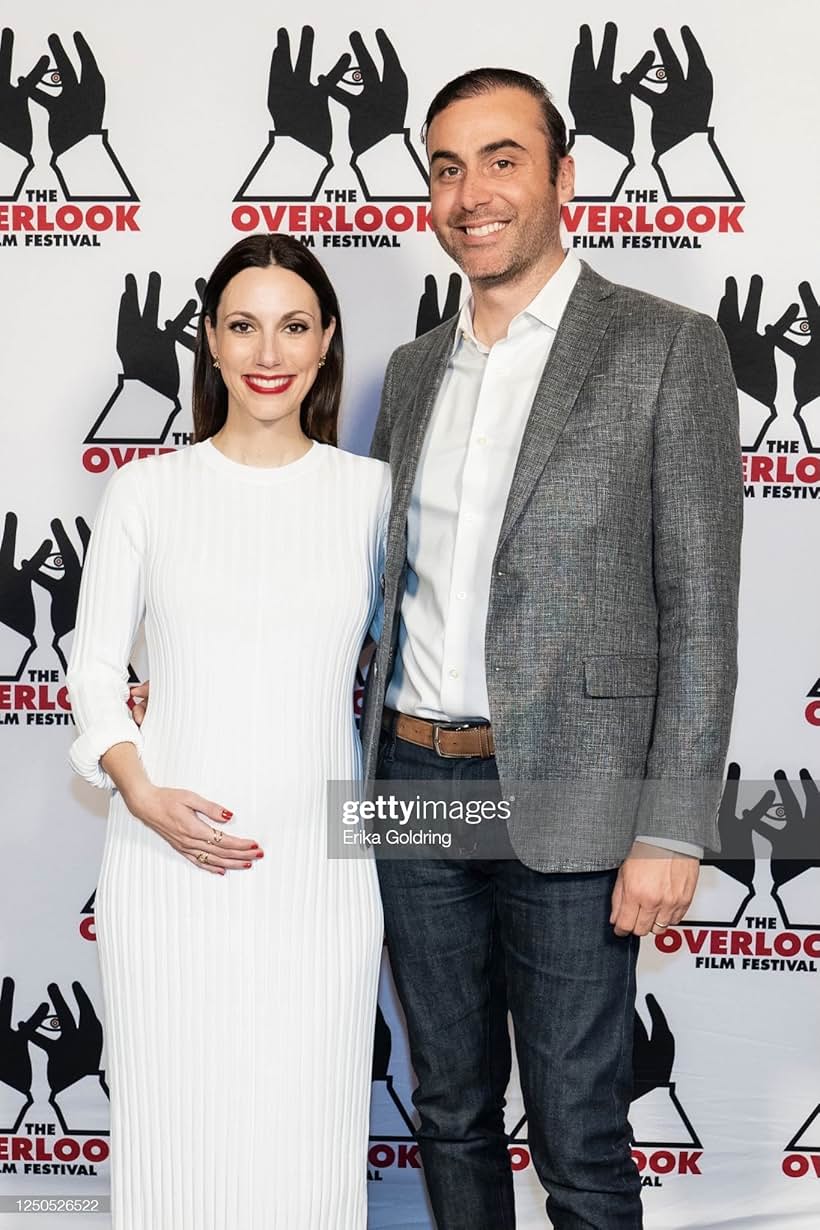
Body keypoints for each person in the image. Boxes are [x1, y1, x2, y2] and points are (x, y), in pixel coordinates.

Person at [357, 70, 742, 1228]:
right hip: (416, 784)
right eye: (444, 165)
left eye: (501, 158)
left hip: (579, 791)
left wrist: (671, 825)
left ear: (563, 177)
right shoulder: (417, 368)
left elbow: (702, 608)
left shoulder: (667, 347)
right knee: (450, 1108)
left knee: (579, 1132)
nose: (470, 192)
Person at [67, 233, 390, 1230]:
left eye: (294, 326)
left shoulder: (370, 496)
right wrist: (141, 789)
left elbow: (423, 677)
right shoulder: (146, 491)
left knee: (309, 1131)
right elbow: (91, 674)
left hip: (324, 870)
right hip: (165, 861)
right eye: (243, 325)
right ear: (208, 340)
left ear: (327, 340)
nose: (268, 351)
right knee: (176, 1130)